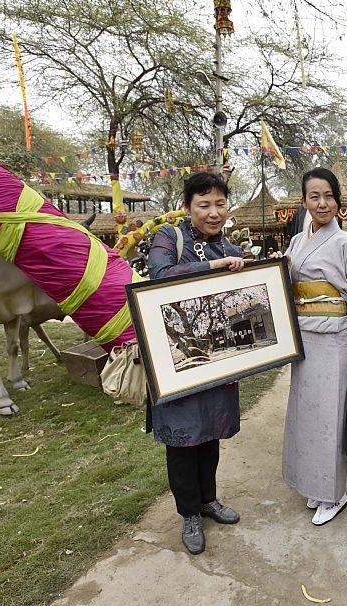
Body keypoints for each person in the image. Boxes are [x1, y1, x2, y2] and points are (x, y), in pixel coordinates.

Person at [146, 172, 245, 556]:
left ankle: (209, 499)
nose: (214, 212)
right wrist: (210, 269)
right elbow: (159, 275)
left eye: (220, 204)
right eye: (204, 205)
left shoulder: (228, 246)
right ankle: (188, 512)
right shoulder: (170, 238)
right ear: (188, 207)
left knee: (210, 433)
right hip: (178, 360)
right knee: (184, 439)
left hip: (218, 359)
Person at [281, 167, 347, 525]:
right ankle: (312, 484)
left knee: (330, 417)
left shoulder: (345, 242)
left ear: (338, 201)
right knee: (306, 414)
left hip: (333, 337)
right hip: (303, 336)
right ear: (304, 201)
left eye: (328, 196)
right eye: (314, 196)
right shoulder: (296, 241)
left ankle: (333, 494)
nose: (322, 203)